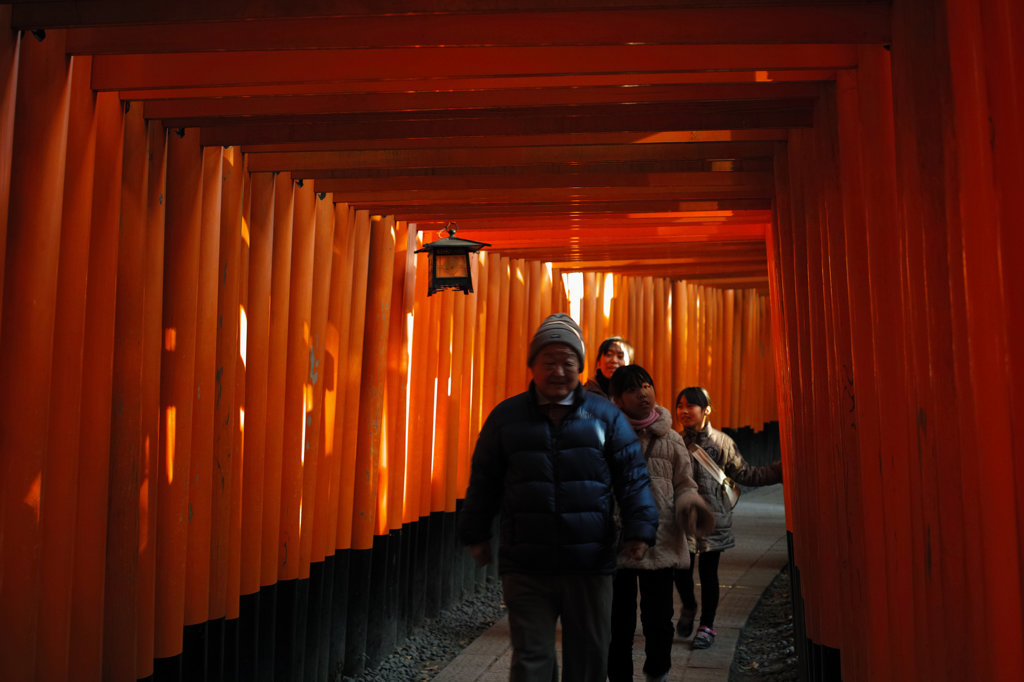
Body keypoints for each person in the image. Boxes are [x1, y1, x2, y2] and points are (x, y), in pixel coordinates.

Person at [458, 313, 659, 682]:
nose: (558, 371)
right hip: (526, 562)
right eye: (548, 361)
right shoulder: (506, 417)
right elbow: (484, 479)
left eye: (568, 362)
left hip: (589, 562)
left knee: (588, 660)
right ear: (532, 365)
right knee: (531, 659)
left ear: (581, 367)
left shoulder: (604, 418)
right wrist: (476, 533)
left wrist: (639, 530)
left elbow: (633, 477)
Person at [605, 366, 713, 682]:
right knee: (618, 622)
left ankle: (658, 673)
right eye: (633, 389)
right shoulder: (607, 436)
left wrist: (690, 506)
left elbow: (684, 482)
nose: (643, 393)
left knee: (659, 619)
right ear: (618, 399)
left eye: (647, 385)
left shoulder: (670, 439)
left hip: (662, 537)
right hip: (620, 538)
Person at [673, 386, 783, 650]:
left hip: (714, 518)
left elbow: (746, 474)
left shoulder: (722, 443)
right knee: (680, 571)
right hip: (682, 519)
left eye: (690, 406)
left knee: (709, 574)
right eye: (680, 406)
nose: (684, 411)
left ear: (706, 410)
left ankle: (706, 626)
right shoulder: (673, 441)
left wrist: (779, 471)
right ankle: (689, 605)